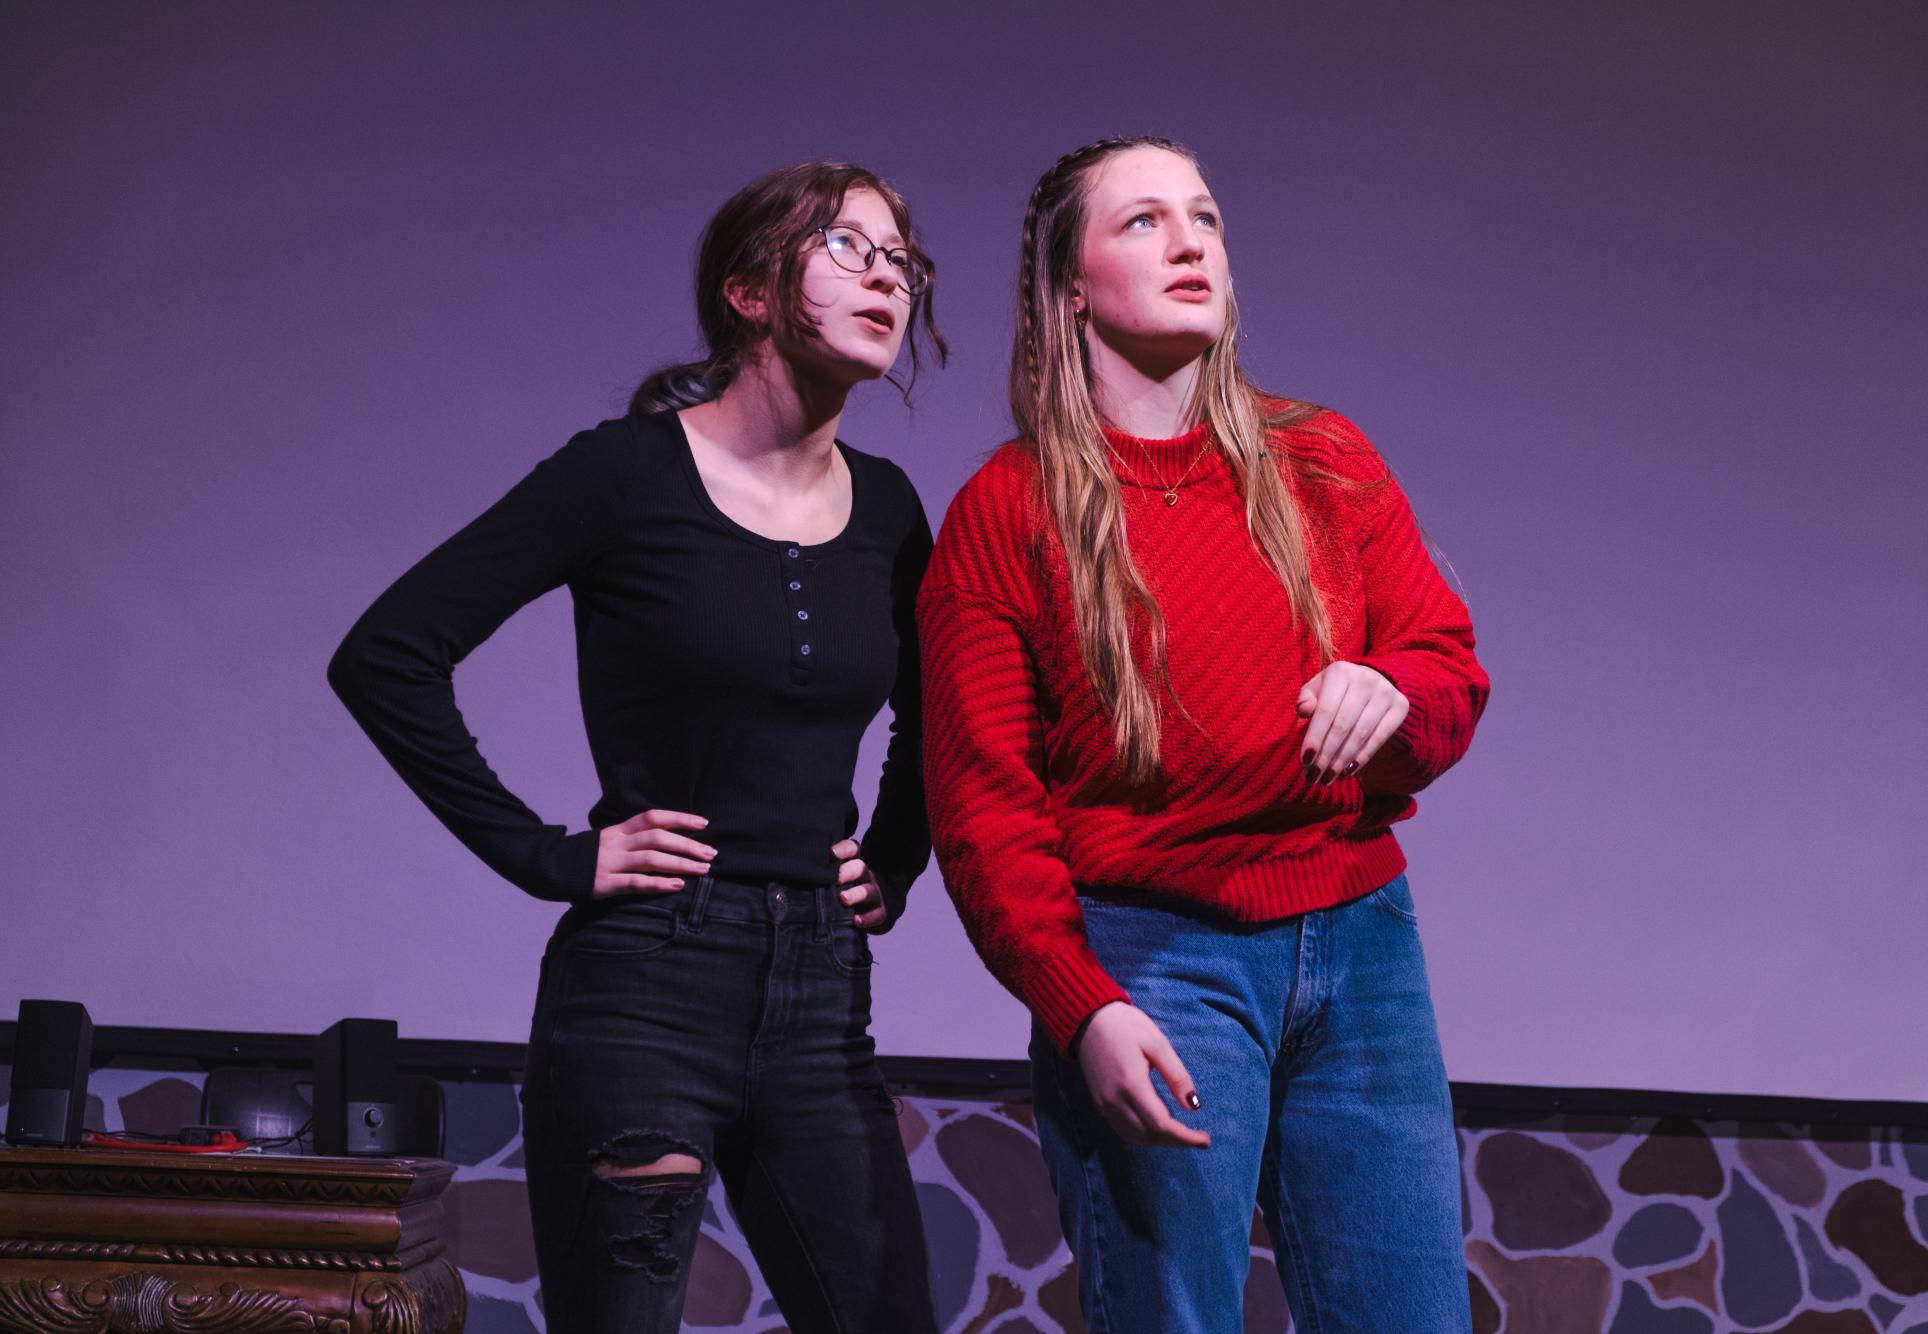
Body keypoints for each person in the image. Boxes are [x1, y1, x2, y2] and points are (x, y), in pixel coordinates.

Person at [328, 160, 943, 1333]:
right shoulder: (624, 474)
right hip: (648, 983)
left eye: (901, 260)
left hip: (822, 993)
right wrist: (550, 856)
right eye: (848, 249)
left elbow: (934, 708)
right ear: (750, 291)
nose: (888, 280)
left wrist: (898, 852)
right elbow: (388, 653)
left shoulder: (892, 507)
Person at [918, 137, 1488, 1332]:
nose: (1189, 241)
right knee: (1174, 1313)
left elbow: (1447, 670)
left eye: (1207, 217)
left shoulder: (1324, 459)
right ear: (1067, 285)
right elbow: (982, 807)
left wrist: (1392, 693)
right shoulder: (1007, 511)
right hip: (1156, 958)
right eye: (1142, 222)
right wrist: (1081, 1002)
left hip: (1361, 946)